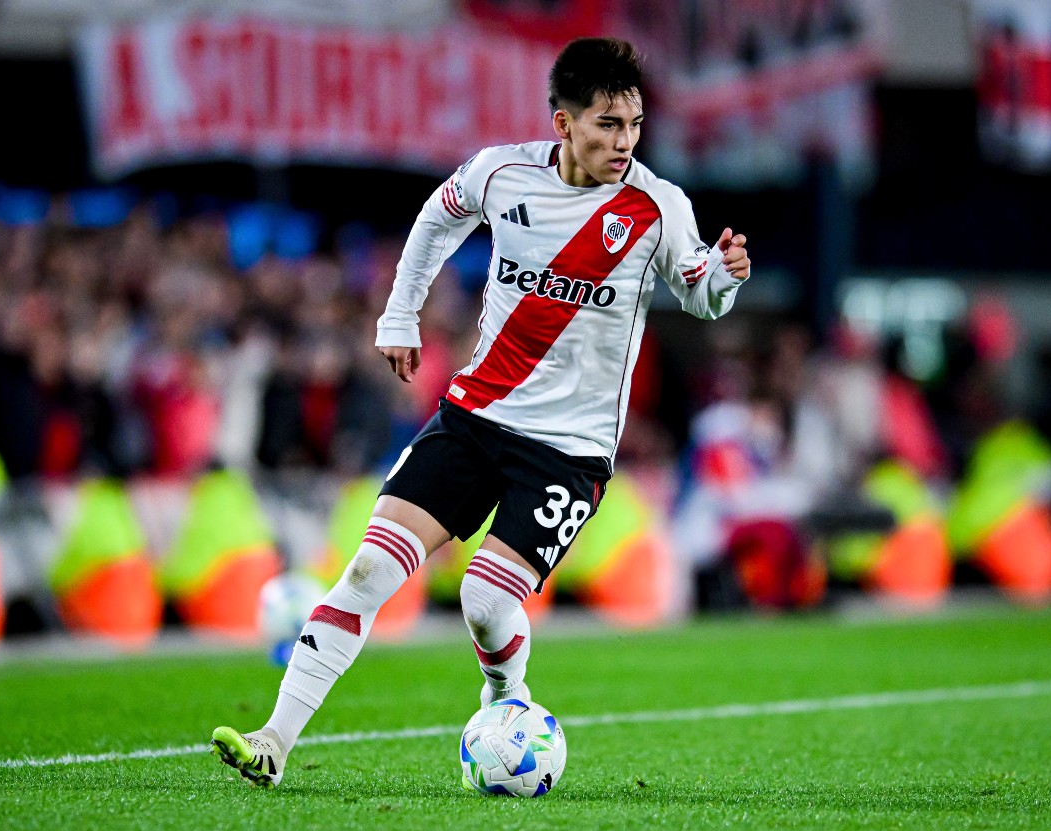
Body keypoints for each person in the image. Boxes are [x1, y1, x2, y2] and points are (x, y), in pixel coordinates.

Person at [210, 36, 752, 788]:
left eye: (633, 124)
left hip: (568, 450)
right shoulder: (501, 173)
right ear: (563, 123)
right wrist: (400, 315)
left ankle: (506, 699)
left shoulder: (657, 205)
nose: (624, 141)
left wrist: (725, 276)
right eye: (606, 124)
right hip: (475, 416)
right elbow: (436, 220)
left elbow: (699, 292)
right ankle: (273, 740)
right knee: (368, 568)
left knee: (485, 599)